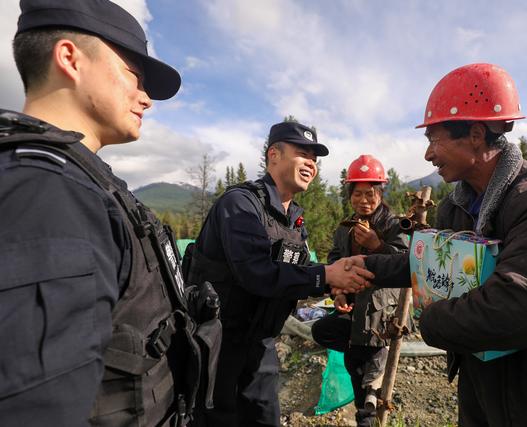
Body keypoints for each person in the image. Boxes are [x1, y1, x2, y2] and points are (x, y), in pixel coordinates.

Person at [354, 63, 527, 426]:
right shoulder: (456, 206)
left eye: (434, 140)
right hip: (484, 395)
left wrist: (430, 319)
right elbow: (430, 264)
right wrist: (362, 269)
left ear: (476, 134)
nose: (428, 155)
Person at [0, 1, 220, 426]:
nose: (146, 99)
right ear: (69, 58)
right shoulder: (47, 192)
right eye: (134, 75)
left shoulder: (83, 182)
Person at [183, 121, 375, 426]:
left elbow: (299, 271)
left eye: (315, 158)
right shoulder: (241, 205)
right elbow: (256, 273)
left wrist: (336, 282)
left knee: (264, 417)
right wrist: (325, 276)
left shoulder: (294, 220)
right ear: (274, 154)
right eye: (303, 153)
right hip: (219, 346)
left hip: (261, 345)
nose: (311, 164)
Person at [311, 154, 408, 427]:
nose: (363, 200)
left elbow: (406, 263)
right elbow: (334, 261)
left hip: (382, 311)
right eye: (357, 194)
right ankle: (364, 378)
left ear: (380, 193)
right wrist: (338, 293)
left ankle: (367, 413)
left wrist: (378, 245)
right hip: (354, 308)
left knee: (366, 375)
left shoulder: (393, 225)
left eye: (370, 194)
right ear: (349, 195)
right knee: (324, 332)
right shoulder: (345, 227)